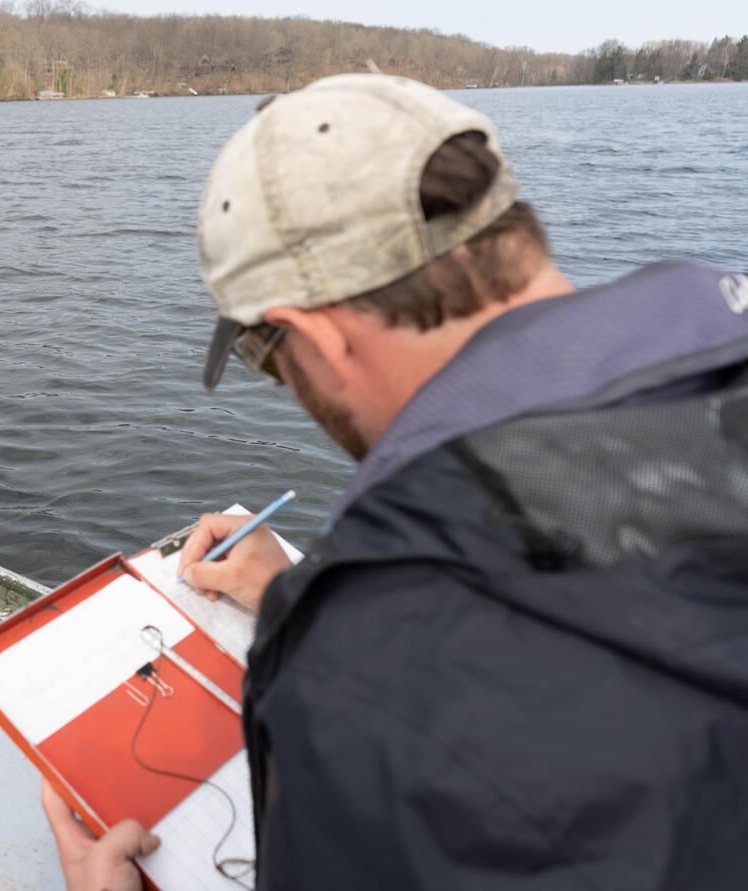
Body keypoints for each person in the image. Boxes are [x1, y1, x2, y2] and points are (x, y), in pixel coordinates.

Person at [42, 73, 748, 889]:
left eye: (270, 363)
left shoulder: (362, 678)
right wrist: (314, 591)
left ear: (318, 335)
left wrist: (352, 619)